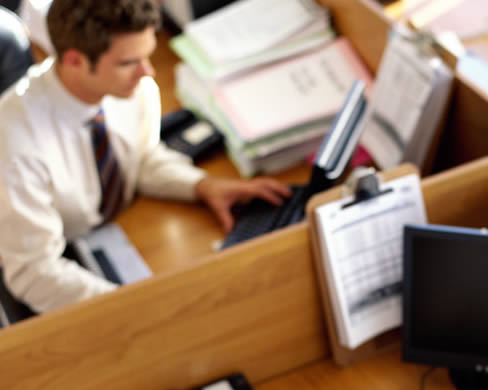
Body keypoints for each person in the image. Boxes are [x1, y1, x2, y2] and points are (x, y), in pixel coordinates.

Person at [0, 0, 291, 313]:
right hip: (49, 256)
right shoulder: (14, 143)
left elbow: (140, 157)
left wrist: (202, 185)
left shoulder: (132, 88)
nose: (147, 72)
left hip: (116, 233)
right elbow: (32, 273)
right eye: (128, 62)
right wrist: (137, 308)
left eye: (147, 56)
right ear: (74, 60)